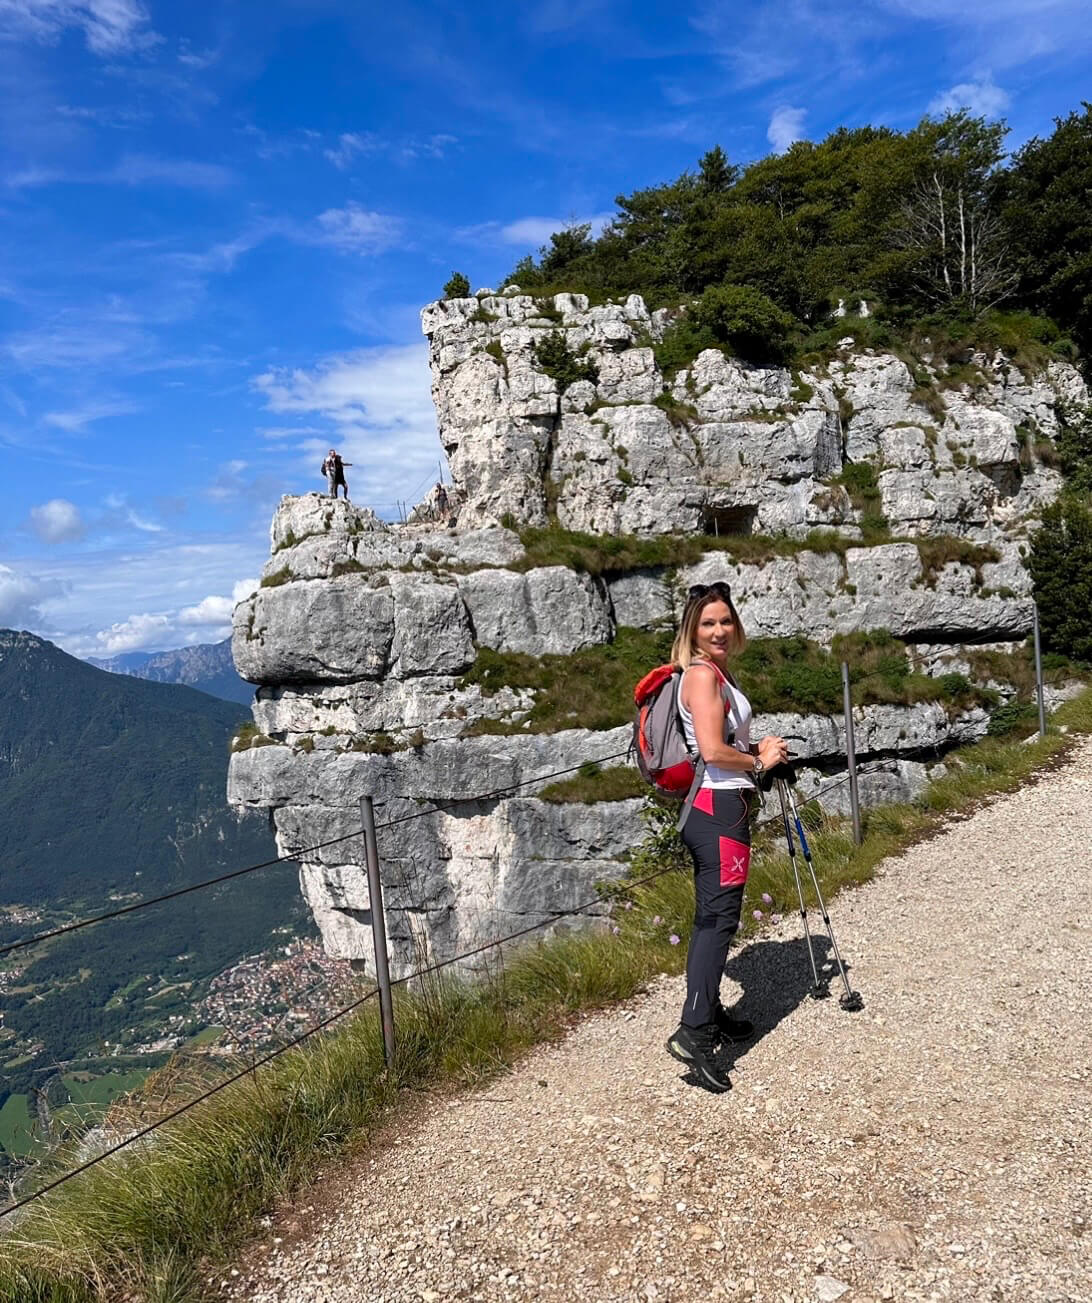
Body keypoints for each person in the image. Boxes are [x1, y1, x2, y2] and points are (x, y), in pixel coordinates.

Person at [665, 581, 789, 1093]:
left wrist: (754, 747)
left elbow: (721, 741)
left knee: (712, 916)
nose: (719, 629)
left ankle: (709, 1012)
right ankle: (693, 1033)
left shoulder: (714, 673)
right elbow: (713, 752)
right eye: (708, 622)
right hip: (717, 809)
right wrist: (759, 761)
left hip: (721, 807)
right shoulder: (700, 676)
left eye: (725, 620)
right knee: (720, 919)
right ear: (693, 630)